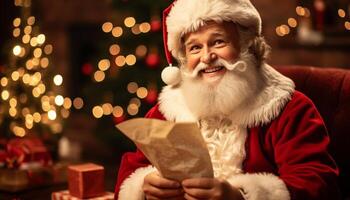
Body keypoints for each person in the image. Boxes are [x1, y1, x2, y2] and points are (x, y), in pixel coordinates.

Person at [114, 0, 340, 199]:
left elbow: (318, 183)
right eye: (194, 47)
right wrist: (143, 187)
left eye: (218, 42)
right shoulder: (168, 109)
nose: (206, 57)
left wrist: (242, 197)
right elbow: (130, 172)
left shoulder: (289, 108)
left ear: (247, 46)